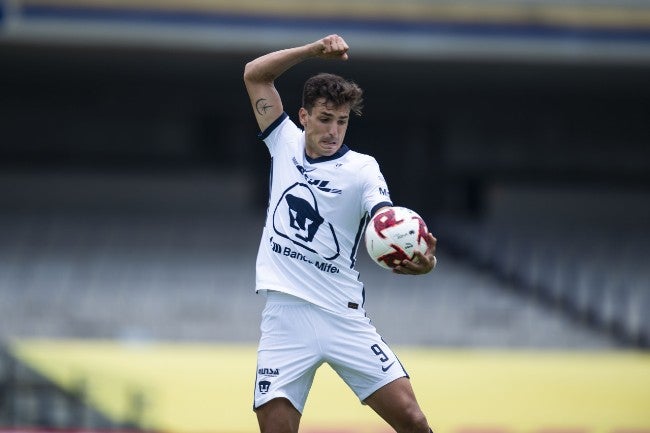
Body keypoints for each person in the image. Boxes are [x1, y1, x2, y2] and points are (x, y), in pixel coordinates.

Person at [243, 34, 438, 433]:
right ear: (303, 116)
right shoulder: (283, 141)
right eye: (325, 119)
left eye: (343, 121)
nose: (334, 131)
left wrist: (418, 257)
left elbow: (384, 217)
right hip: (285, 316)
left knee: (414, 421)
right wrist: (311, 51)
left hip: (342, 315)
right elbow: (254, 75)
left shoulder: (363, 169)